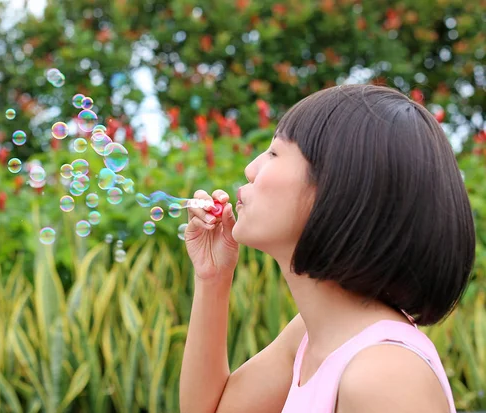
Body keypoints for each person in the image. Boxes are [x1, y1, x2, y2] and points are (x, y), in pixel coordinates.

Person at [179, 84, 475, 413]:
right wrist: (213, 277)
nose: (251, 169)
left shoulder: (384, 375)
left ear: (340, 188)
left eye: (274, 153)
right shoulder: (311, 337)